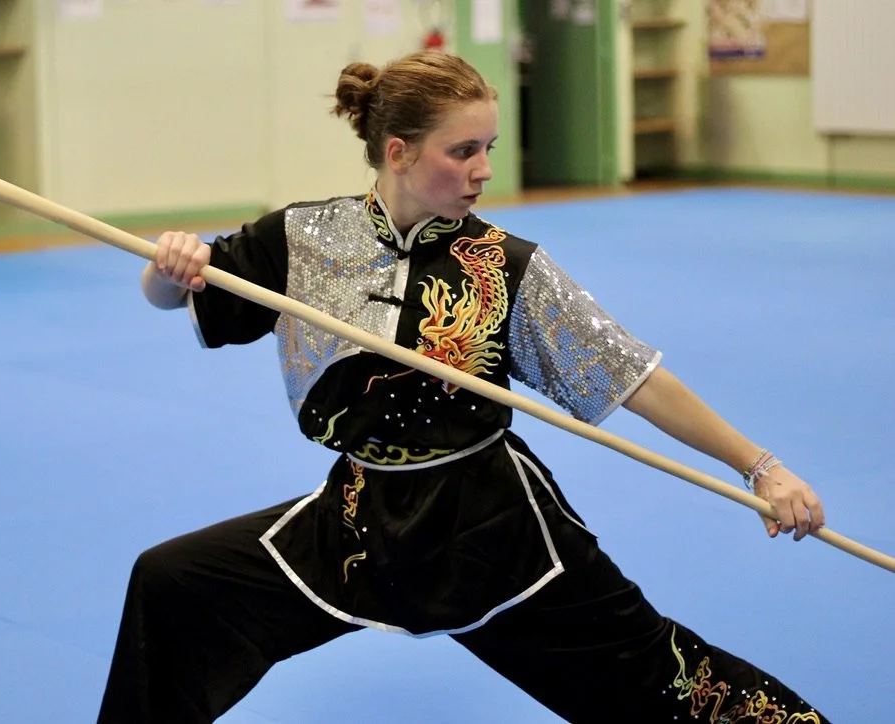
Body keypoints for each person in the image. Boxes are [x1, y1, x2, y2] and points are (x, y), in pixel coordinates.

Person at [97, 50, 830, 723]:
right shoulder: (302, 238)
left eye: (490, 149)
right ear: (399, 152)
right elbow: (184, 296)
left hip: (488, 531)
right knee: (173, 586)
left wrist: (760, 466)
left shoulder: (507, 266)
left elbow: (634, 376)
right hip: (356, 518)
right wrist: (168, 269)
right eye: (464, 150)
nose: (483, 170)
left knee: (665, 682)